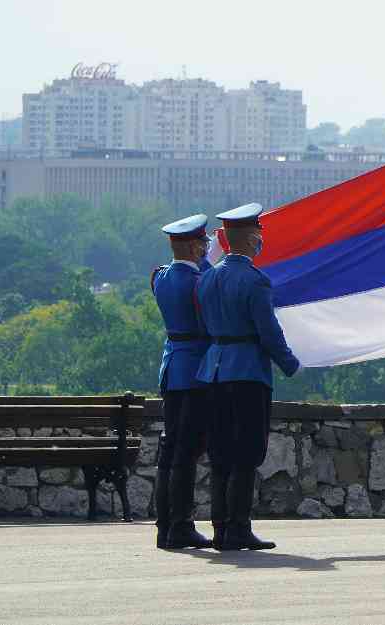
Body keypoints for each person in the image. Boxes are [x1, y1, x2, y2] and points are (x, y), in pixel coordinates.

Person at [195, 202, 300, 551]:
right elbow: (268, 332)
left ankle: (221, 527)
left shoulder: (207, 278)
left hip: (213, 371)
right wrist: (289, 363)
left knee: (220, 453)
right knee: (247, 452)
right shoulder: (255, 281)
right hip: (248, 373)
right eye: (258, 235)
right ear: (253, 238)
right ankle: (239, 526)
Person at [151, 213, 214, 549]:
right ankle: (181, 524)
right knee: (185, 453)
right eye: (202, 243)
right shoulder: (199, 282)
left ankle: (165, 525)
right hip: (193, 371)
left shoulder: (160, 278)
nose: (206, 248)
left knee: (170, 450)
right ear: (193, 246)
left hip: (172, 367)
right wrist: (208, 263)